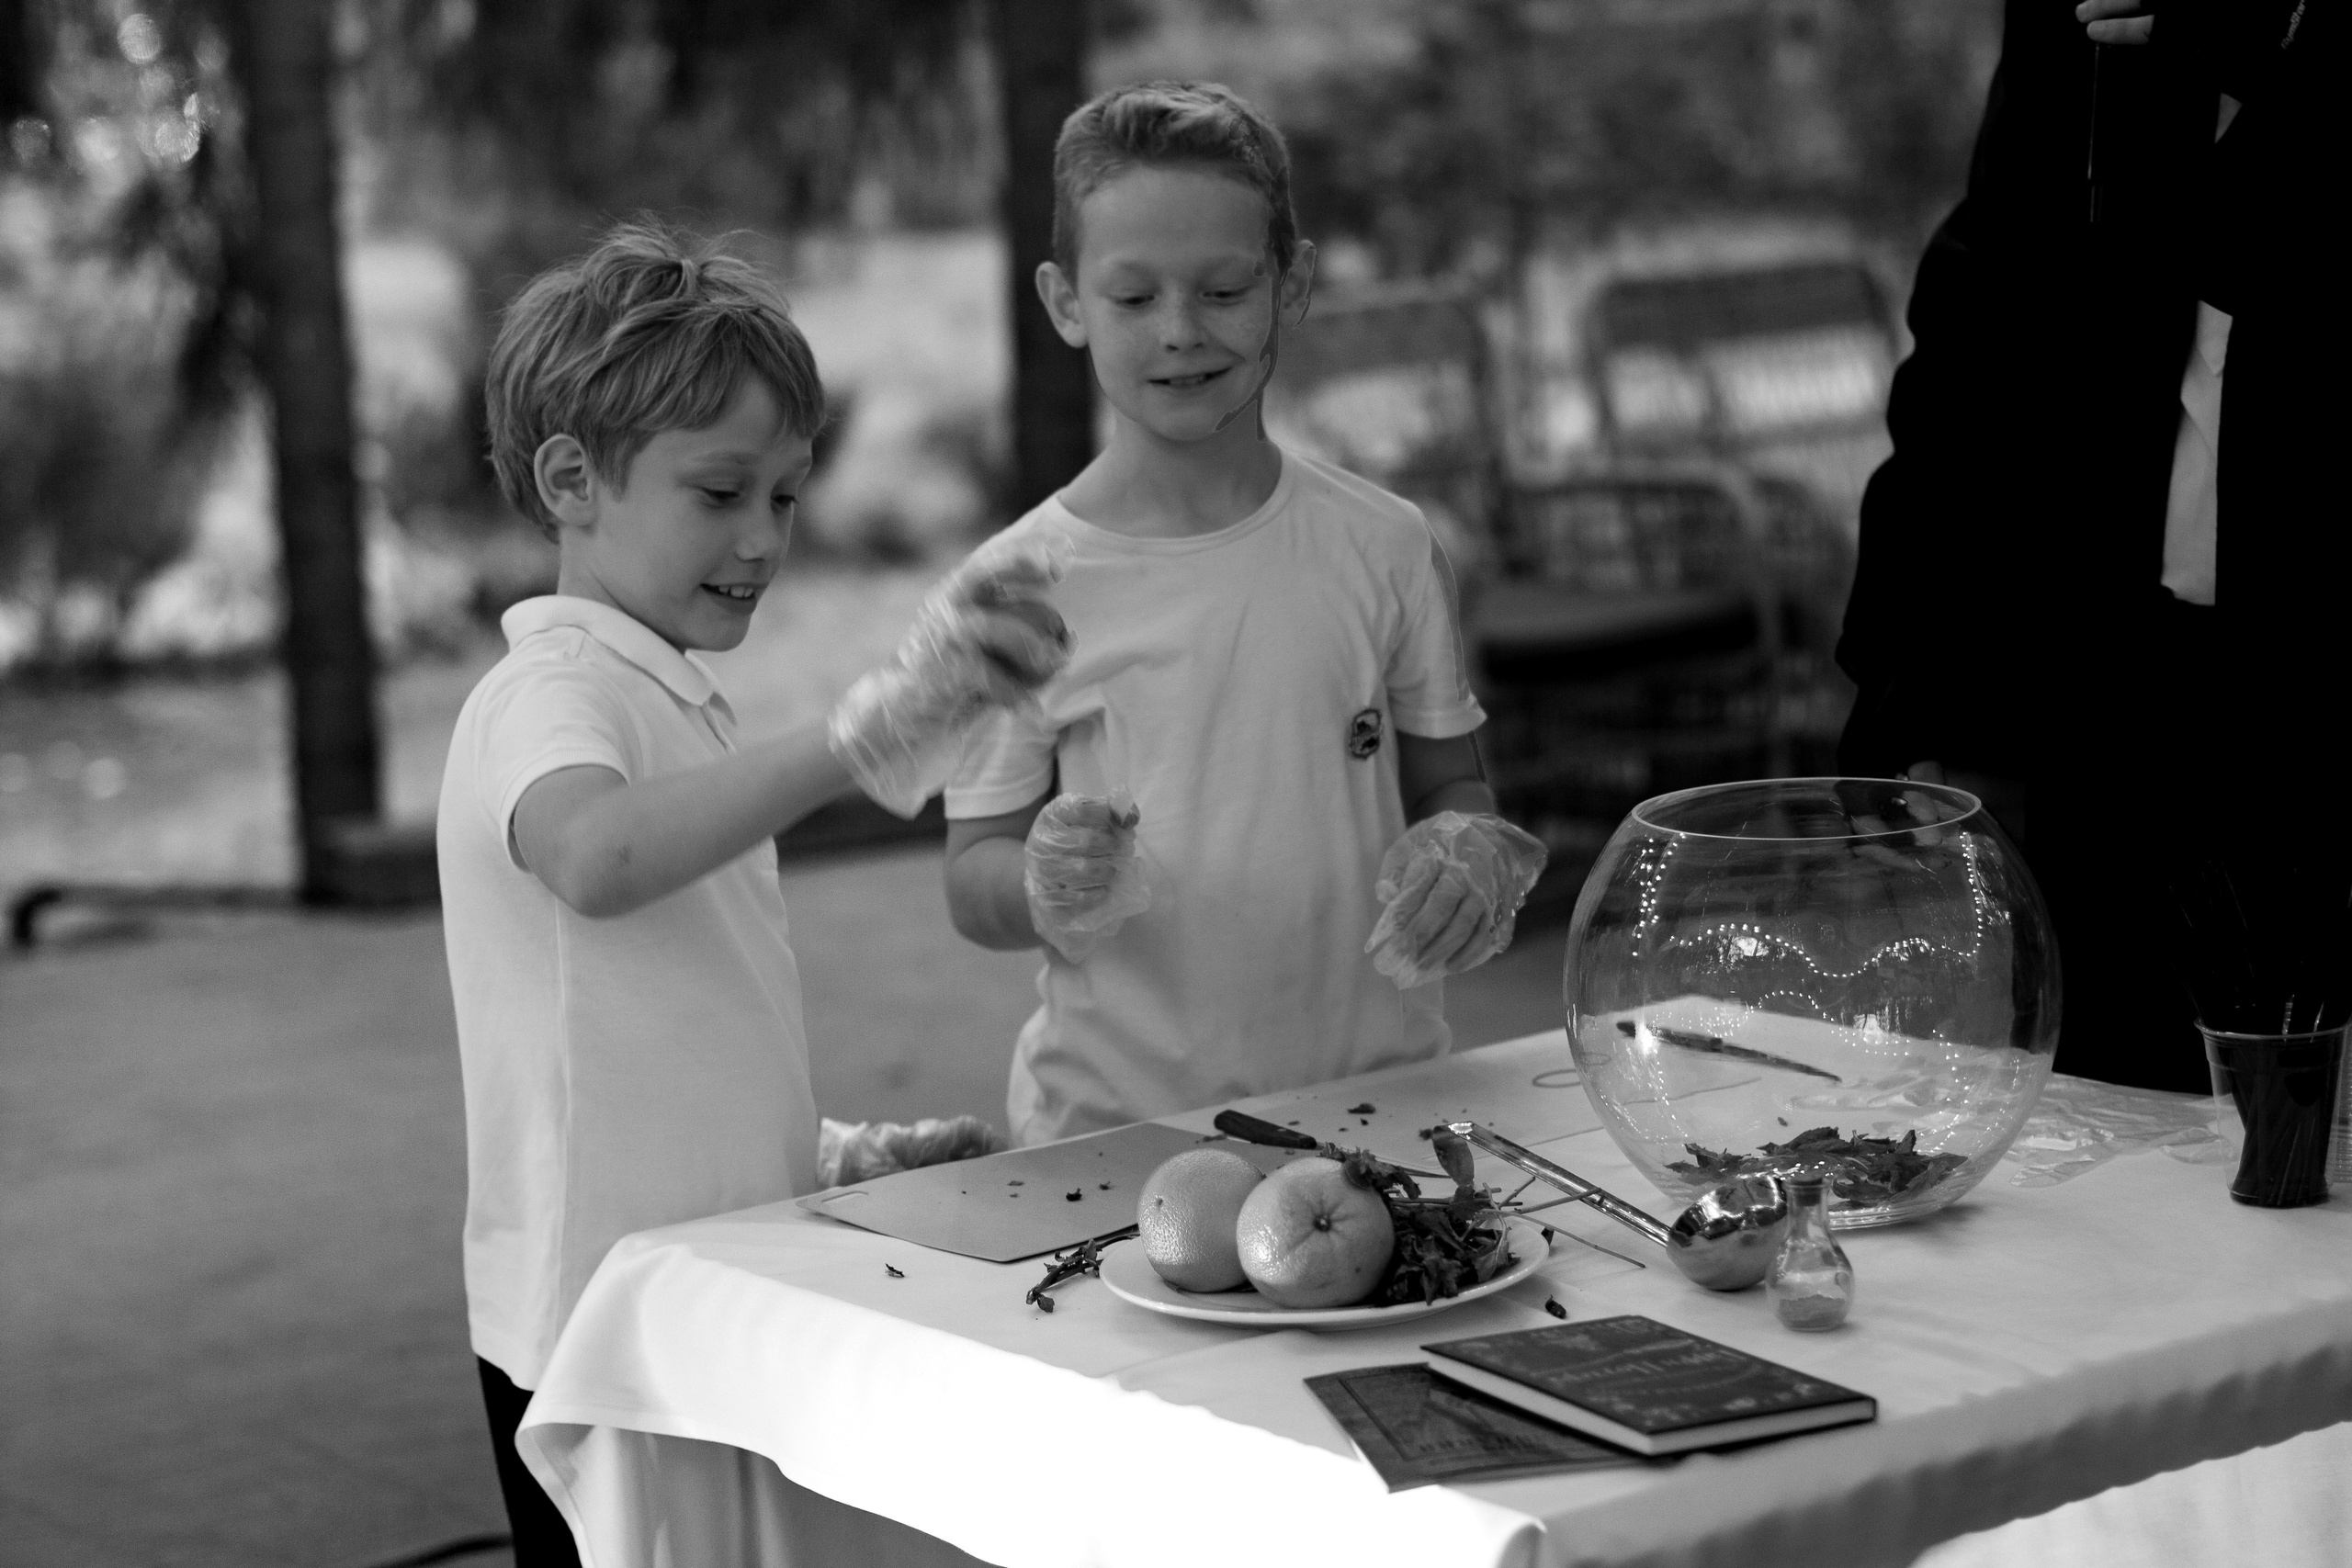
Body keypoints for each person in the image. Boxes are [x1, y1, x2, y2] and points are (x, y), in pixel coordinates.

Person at [439, 223, 1068, 1565]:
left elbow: (658, 1019)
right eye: (720, 491)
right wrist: (858, 739)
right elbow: (597, 860)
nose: (764, 537)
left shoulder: (670, 700)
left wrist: (825, 1151)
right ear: (571, 480)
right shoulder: (546, 693)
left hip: (694, 1293)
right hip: (592, 1331)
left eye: (784, 495)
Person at [942, 82, 1547, 1146]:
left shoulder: (1386, 545)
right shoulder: (1016, 584)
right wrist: (1041, 877)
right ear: (1065, 301)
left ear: (1292, 282)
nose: (1181, 332)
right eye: (1133, 298)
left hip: (1383, 1115)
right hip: (1119, 1134)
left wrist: (1466, 851)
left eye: (1224, 289)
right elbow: (970, 880)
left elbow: (1447, 782)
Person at [1835, 0, 2344, 1091]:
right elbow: (1988, 291)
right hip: (2128, 681)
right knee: (2119, 1116)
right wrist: (1909, 666)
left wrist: (2280, 46)